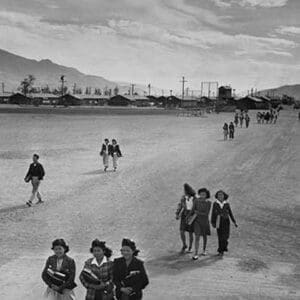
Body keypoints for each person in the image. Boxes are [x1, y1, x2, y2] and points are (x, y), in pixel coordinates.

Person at [211, 191, 238, 256]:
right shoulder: (215, 204)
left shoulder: (227, 204)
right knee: (220, 236)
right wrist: (213, 222)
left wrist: (234, 222)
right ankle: (220, 251)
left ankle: (224, 246)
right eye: (218, 195)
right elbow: (213, 213)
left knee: (226, 236)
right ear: (217, 197)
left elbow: (230, 213)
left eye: (221, 195)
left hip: (226, 221)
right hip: (218, 221)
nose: (220, 196)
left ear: (224, 196)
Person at [191, 188, 211, 260]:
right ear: (199, 194)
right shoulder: (196, 201)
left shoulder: (209, 203)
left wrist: (198, 212)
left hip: (205, 222)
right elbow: (193, 210)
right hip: (197, 221)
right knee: (197, 237)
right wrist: (188, 217)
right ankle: (196, 253)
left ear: (206, 195)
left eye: (204, 194)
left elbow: (206, 214)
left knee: (205, 236)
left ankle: (204, 250)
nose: (202, 195)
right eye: (201, 194)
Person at [176, 183, 196, 254]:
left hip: (191, 216)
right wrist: (177, 214)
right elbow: (180, 206)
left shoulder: (194, 199)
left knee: (190, 232)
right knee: (182, 231)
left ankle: (190, 247)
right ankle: (184, 244)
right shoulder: (183, 198)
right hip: (184, 215)